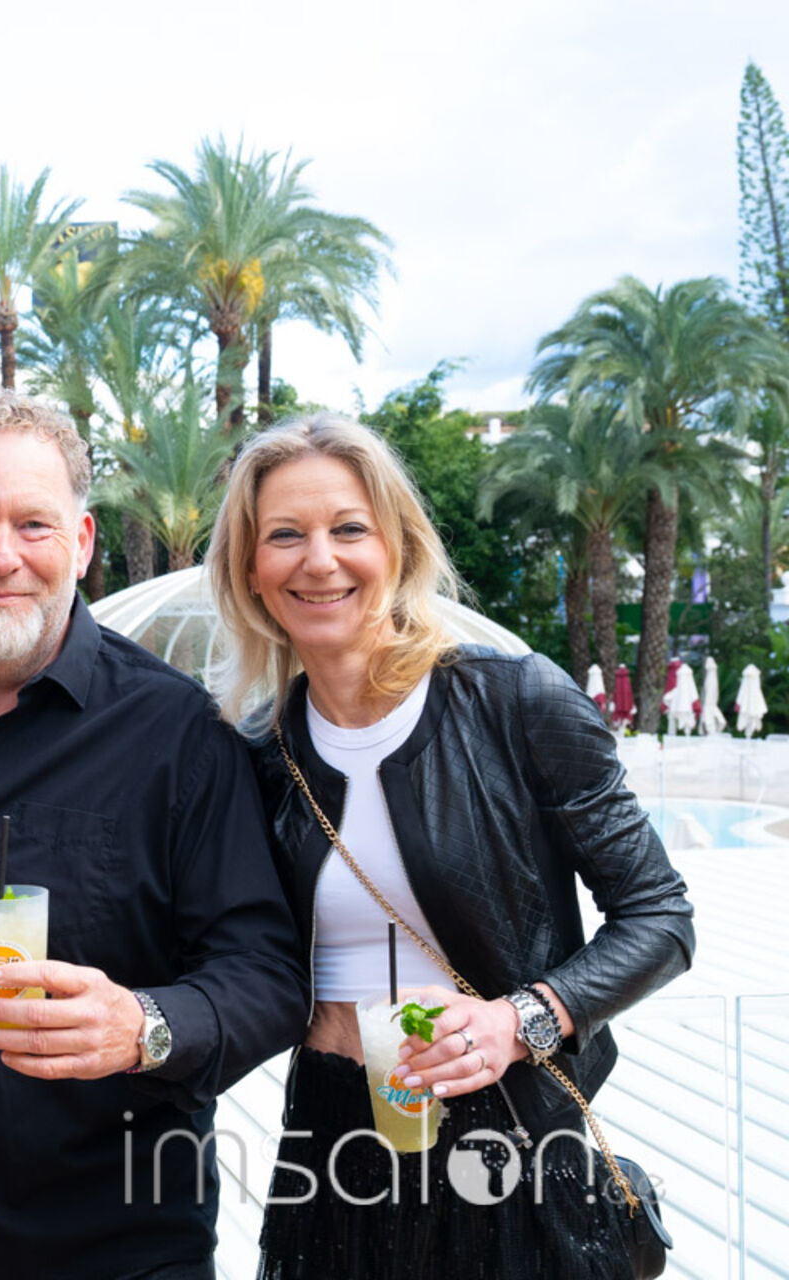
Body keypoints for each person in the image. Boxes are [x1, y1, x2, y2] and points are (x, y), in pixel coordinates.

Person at [0, 390, 309, 1280]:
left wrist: (145, 1025)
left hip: (110, 1246)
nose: (2, 556)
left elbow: (266, 974)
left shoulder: (178, 733)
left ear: (80, 543)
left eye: (33, 525)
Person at [205, 413, 695, 1279]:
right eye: (284, 535)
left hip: (507, 1126)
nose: (319, 560)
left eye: (349, 529)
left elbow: (661, 917)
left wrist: (520, 1020)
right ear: (250, 567)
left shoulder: (515, 702)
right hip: (333, 1135)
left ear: (397, 547)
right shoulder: (258, 755)